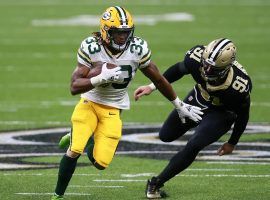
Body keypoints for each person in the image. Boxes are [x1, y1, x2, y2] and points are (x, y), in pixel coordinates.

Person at [51, 6, 203, 200]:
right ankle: (57, 195)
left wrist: (178, 104)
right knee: (74, 150)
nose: (122, 37)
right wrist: (100, 77)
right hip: (89, 102)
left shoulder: (137, 49)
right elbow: (74, 87)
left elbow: (158, 79)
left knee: (100, 163)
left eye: (125, 32)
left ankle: (85, 136)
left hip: (114, 108)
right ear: (106, 31)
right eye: (117, 32)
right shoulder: (91, 47)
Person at [134, 38, 252, 199]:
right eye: (206, 64)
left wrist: (232, 142)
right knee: (166, 135)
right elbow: (178, 69)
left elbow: (243, 115)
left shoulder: (238, 86)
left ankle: (156, 183)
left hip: (222, 113)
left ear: (227, 67)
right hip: (198, 98)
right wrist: (152, 86)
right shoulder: (196, 58)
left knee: (194, 145)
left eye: (213, 68)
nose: (207, 70)